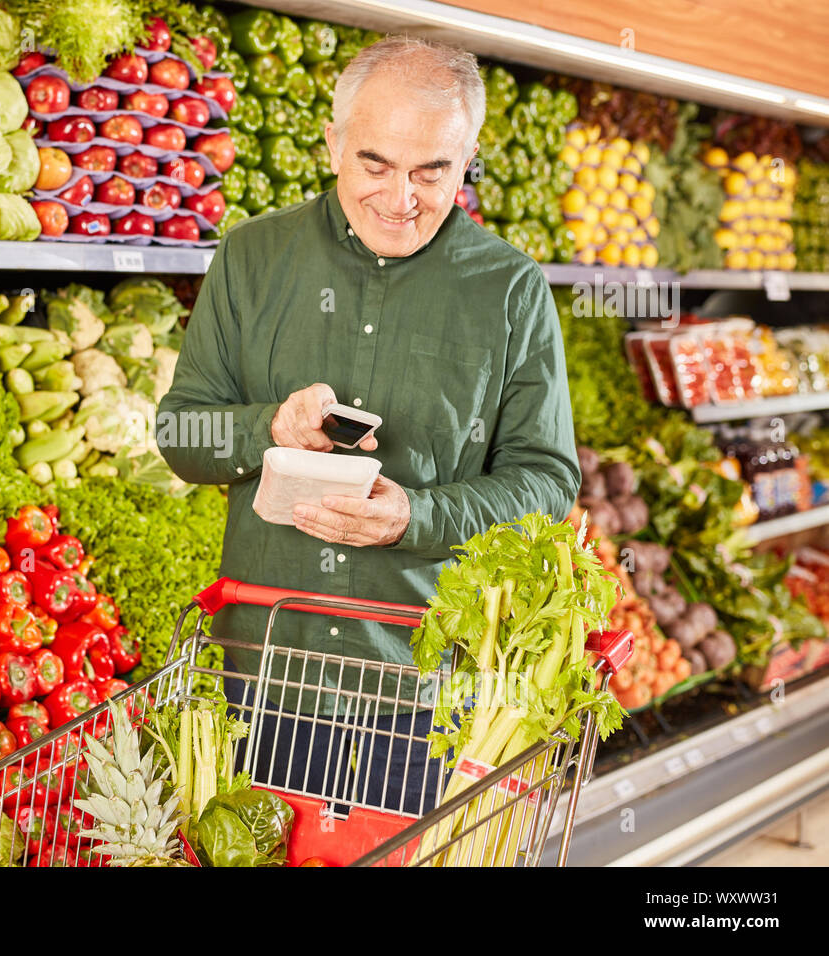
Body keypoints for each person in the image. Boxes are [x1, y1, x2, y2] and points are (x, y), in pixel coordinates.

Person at [156, 35, 581, 817]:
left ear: (468, 159)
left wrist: (416, 517)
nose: (401, 199)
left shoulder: (511, 291)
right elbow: (182, 439)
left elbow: (548, 484)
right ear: (332, 144)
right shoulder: (251, 258)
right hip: (264, 676)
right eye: (375, 165)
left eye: (433, 171)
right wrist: (267, 429)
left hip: (425, 693)